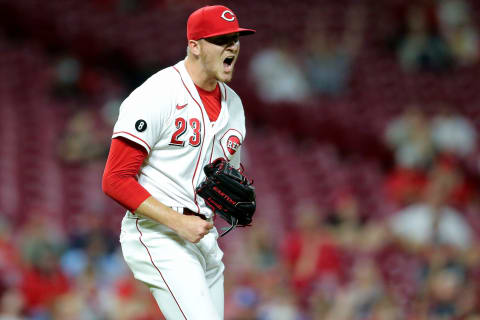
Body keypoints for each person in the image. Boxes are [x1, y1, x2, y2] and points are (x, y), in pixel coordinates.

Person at [101, 5, 255, 319]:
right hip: (160, 234)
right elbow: (115, 179)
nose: (233, 46)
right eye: (221, 39)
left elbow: (229, 174)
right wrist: (178, 222)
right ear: (194, 46)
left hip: (203, 236)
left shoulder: (234, 105)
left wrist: (233, 193)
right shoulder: (157, 94)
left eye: (235, 38)